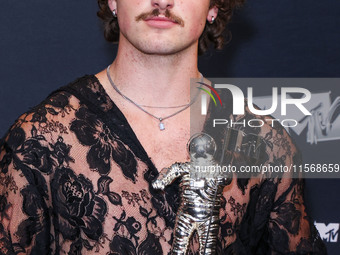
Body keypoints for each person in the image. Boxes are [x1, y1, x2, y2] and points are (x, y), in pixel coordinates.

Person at [0, 0, 326, 254]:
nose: (162, 1)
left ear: (214, 7)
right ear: (113, 2)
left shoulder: (266, 143)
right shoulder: (39, 140)